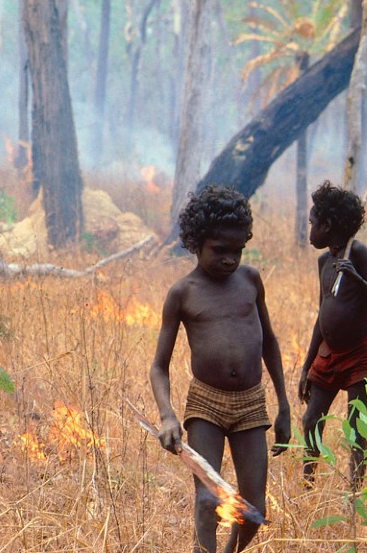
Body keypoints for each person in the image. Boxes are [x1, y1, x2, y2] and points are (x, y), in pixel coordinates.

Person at [149, 185, 290, 553]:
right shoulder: (183, 292)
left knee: (254, 509)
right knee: (207, 501)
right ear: (196, 243)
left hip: (250, 405)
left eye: (238, 250)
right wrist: (167, 417)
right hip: (206, 405)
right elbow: (158, 367)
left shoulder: (250, 280)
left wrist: (285, 406)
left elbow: (270, 343)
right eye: (219, 250)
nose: (230, 259)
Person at [299, 181, 367, 491]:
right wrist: (306, 365)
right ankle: (308, 486)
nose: (310, 230)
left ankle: (354, 496)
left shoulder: (358, 253)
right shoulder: (324, 262)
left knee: (356, 428)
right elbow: (322, 316)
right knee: (311, 419)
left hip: (360, 355)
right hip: (329, 354)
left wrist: (355, 276)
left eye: (312, 223)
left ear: (328, 225)